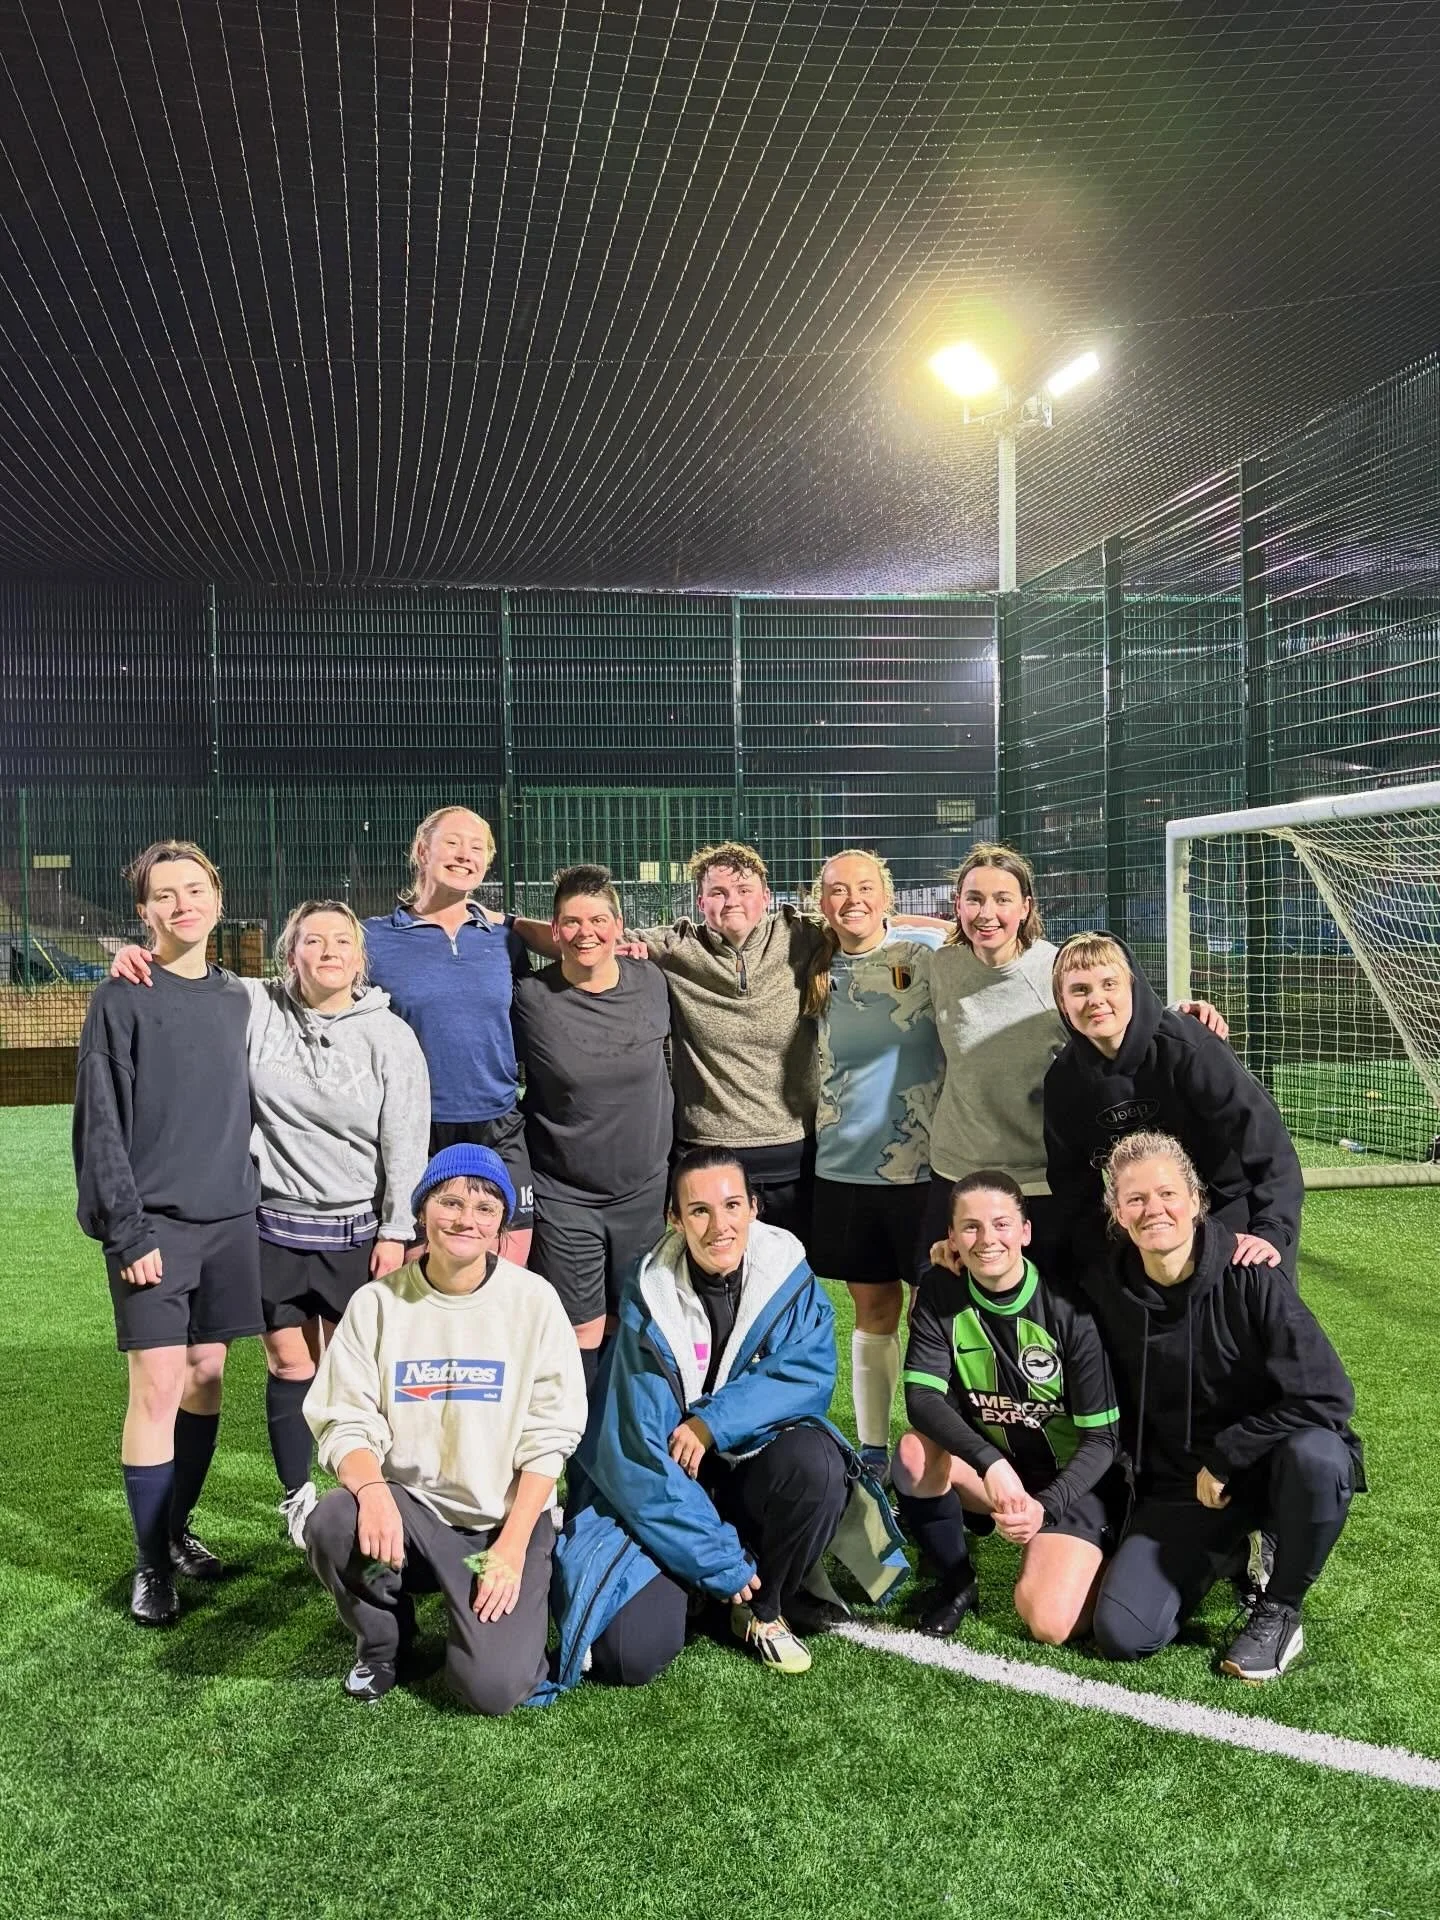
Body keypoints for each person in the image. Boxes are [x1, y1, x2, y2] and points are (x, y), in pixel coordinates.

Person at [107, 901, 432, 1543]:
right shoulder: (255, 1005)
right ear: (291, 955)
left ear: (360, 959)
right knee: (288, 1363)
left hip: (355, 1233)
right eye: (313, 940)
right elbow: (190, 980)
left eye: (342, 941)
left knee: (356, 1373)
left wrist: (397, 1229)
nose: (329, 950)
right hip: (271, 1228)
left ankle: (370, 1495)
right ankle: (297, 1496)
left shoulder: (390, 1035)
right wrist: (136, 957)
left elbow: (406, 1139)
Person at [543, 1147, 906, 1691]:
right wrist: (720, 1562)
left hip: (741, 1474)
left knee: (816, 1463)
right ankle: (716, 1587)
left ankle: (762, 1605)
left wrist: (710, 1423)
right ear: (674, 1218)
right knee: (626, 1657)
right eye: (699, 1211)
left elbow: (806, 1376)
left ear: (755, 1208)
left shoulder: (786, 1274)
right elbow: (639, 1461)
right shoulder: (649, 1295)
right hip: (667, 1487)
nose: (720, 1226)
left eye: (732, 1205)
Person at [302, 1145, 586, 1709]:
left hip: (498, 1525)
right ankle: (386, 1641)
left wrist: (511, 1546)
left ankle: (506, 1601)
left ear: (501, 1225)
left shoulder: (534, 1302)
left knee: (492, 1688)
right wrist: (374, 1492)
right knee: (334, 1521)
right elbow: (344, 1416)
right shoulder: (378, 1303)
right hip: (413, 1516)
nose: (465, 1219)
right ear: (422, 1213)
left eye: (484, 1208)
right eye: (449, 1202)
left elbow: (551, 1435)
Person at [1088, 1133, 1361, 1682]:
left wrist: (1228, 1455)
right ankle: (1232, 1551)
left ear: (1196, 1200)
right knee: (1123, 1634)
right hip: (1183, 1486)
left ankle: (1280, 1606)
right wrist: (951, 1261)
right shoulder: (1106, 1289)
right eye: (1135, 1198)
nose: (1153, 1209)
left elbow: (1329, 1395)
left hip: (1267, 1468)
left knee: (1320, 1457)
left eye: (1167, 1193)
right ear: (1118, 1213)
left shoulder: (1251, 1272)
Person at [73, 841, 263, 1627]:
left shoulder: (243, 998)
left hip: (232, 1221)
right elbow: (100, 1126)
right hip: (152, 1227)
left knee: (206, 1375)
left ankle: (177, 1529)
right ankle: (151, 1566)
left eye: (195, 889)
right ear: (144, 911)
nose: (182, 904)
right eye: (164, 895)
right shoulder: (119, 999)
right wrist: (127, 1231)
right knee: (155, 1387)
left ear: (218, 898)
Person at [925, 844, 1225, 1273]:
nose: (986, 913)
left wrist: (1179, 1015)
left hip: (1043, 1179)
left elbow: (1120, 1020)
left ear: (1026, 907)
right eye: (974, 899)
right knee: (942, 1295)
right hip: (958, 1171)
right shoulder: (940, 966)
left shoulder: (1056, 971)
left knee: (1057, 1302)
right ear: (958, 905)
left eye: (1002, 899)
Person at [895, 1172, 1125, 1644]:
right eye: (971, 1227)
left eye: (1001, 1224)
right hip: (999, 1473)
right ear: (952, 1237)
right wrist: (992, 1464)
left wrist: (1047, 1506)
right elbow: (921, 1399)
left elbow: (1103, 1440)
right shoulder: (941, 1291)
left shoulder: (1068, 1308)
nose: (987, 1239)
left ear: (1025, 1231)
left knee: (1050, 1623)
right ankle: (955, 1580)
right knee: (914, 1455)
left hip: (1072, 1484)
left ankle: (1100, 1547)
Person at [1044, 932, 1304, 1279]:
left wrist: (1272, 1231)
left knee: (1251, 1291)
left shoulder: (1190, 1048)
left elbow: (1270, 1146)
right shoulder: (1064, 1082)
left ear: (1132, 987)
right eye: (1080, 990)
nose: (1096, 1000)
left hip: (1229, 1202)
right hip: (1149, 1216)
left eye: (1109, 984)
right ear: (1063, 1003)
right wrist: (1102, 1258)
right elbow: (1072, 1186)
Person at [802, 849, 945, 1475]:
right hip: (844, 1166)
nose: (852, 899)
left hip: (925, 1169)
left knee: (933, 1314)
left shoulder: (924, 957)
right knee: (875, 1310)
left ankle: (938, 1447)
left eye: (865, 887)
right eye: (838, 889)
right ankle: (875, 1451)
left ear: (887, 896)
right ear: (822, 901)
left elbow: (980, 936)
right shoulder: (811, 963)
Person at [512, 865, 673, 1390]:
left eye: (599, 920)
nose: (587, 933)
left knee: (636, 1324)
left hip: (643, 1192)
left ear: (619, 926)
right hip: (564, 1195)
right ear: (555, 930)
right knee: (579, 1331)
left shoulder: (651, 982)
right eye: (572, 922)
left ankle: (629, 1435)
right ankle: (577, 1440)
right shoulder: (530, 998)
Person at [362, 807, 538, 1263]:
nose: (465, 855)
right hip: (416, 1128)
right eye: (453, 843)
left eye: (477, 848)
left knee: (506, 1275)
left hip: (498, 1122)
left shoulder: (503, 938)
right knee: (424, 1277)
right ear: (422, 851)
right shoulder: (372, 940)